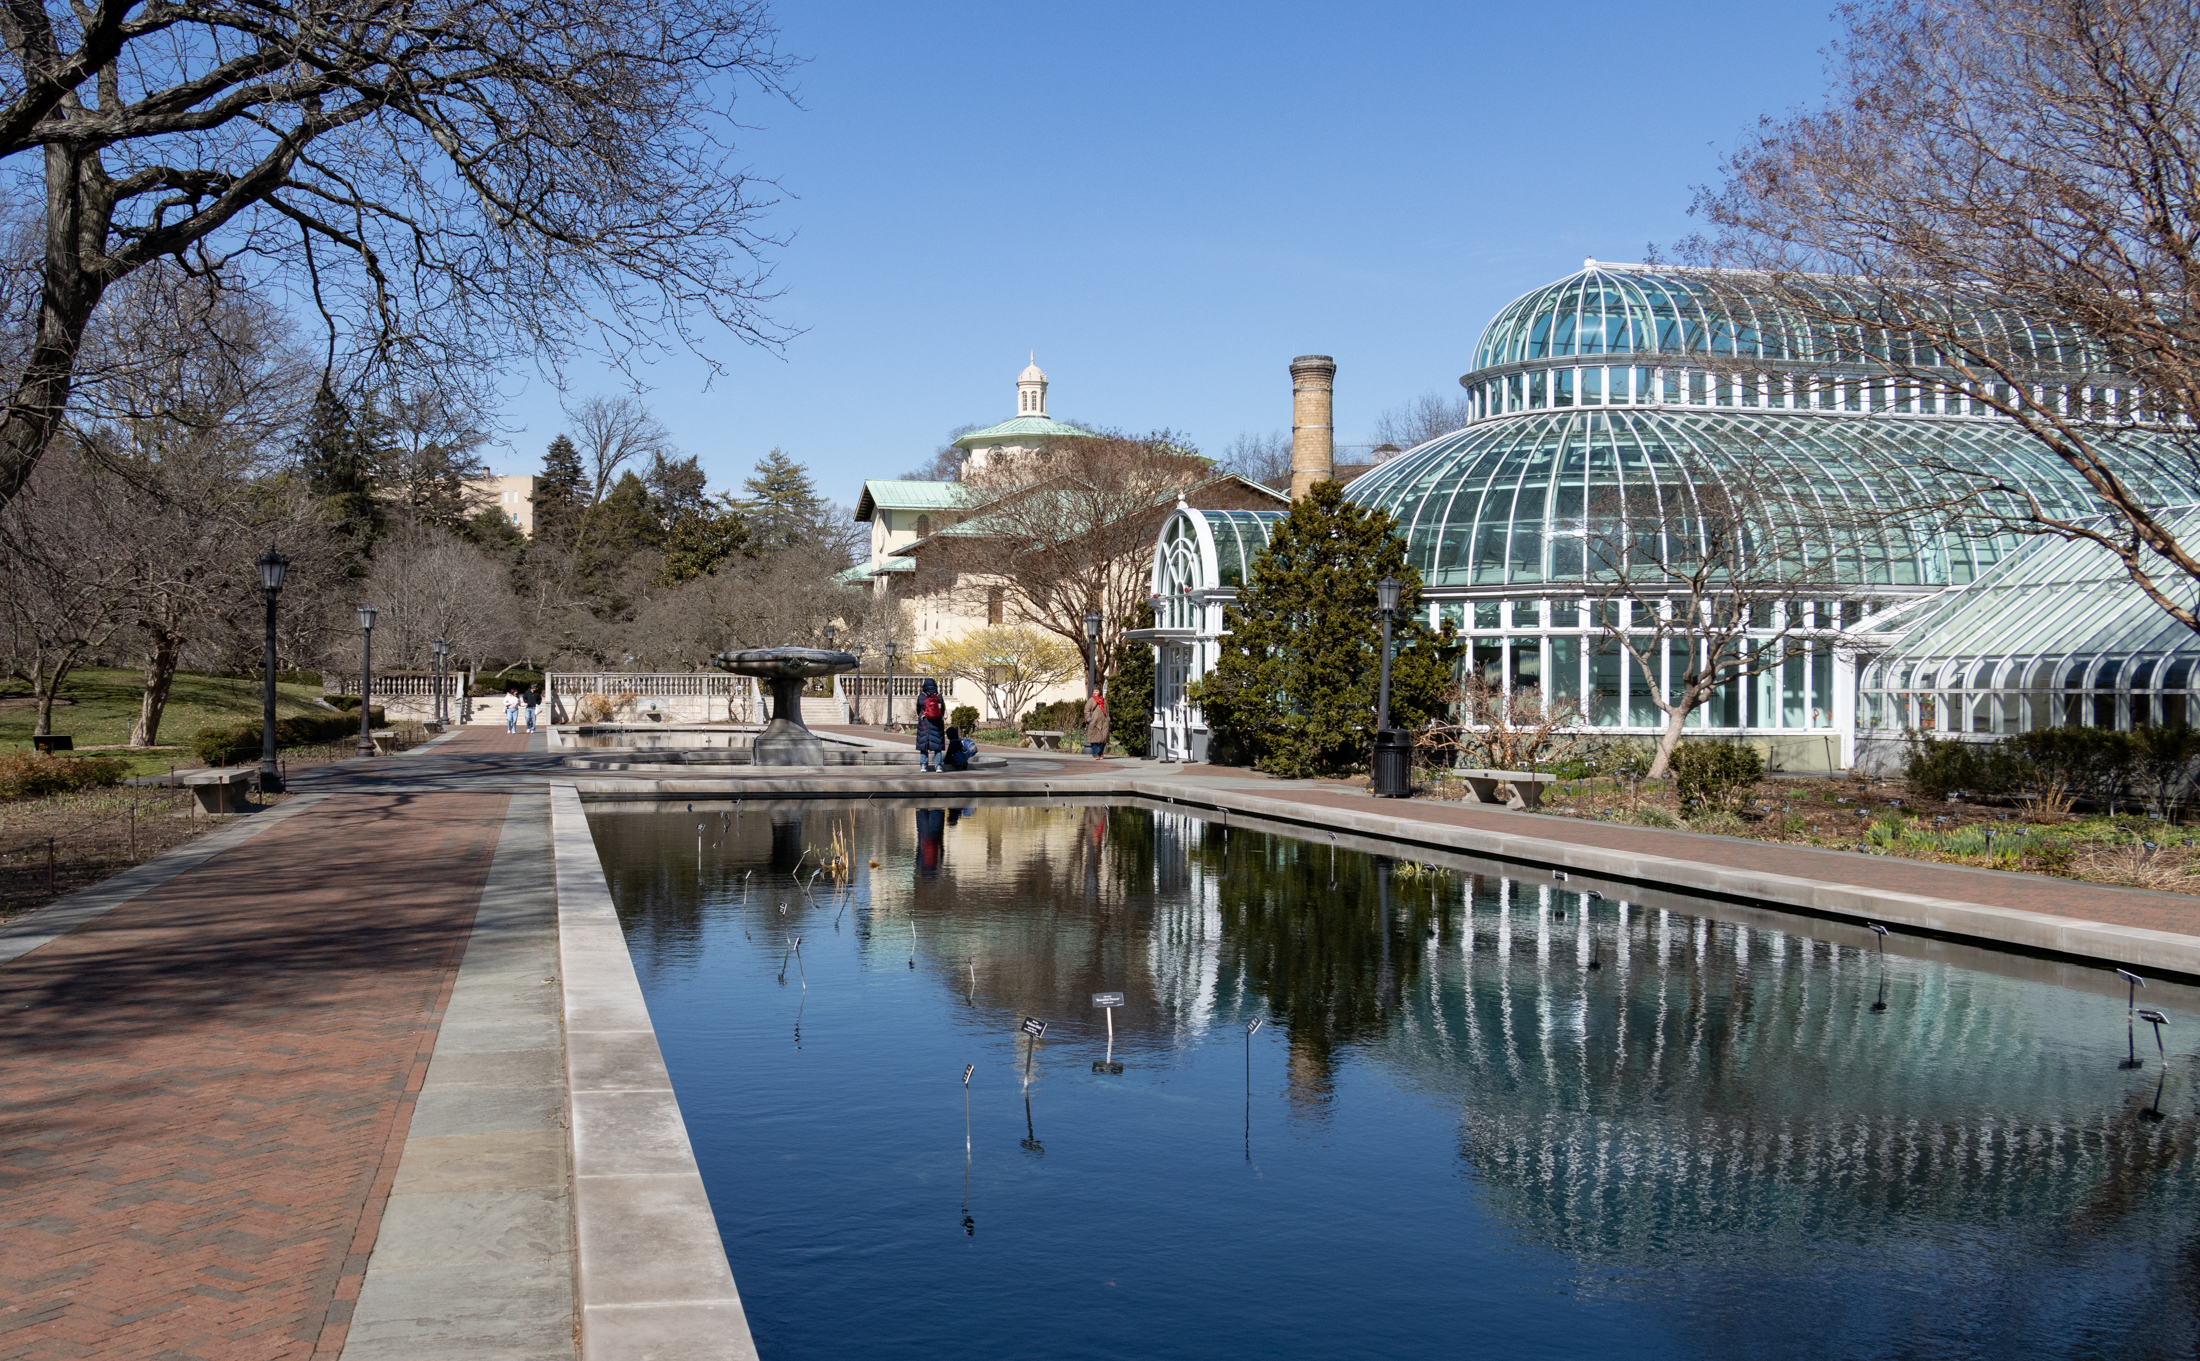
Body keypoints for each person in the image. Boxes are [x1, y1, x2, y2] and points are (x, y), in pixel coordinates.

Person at [914, 678, 945, 772]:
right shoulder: (939, 696)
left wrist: (922, 715)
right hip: (937, 723)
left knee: (924, 744)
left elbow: (918, 709)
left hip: (924, 722)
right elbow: (942, 709)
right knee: (937, 745)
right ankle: (938, 766)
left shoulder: (922, 696)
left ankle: (924, 766)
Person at [1083, 688, 1110, 760]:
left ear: (1100, 691)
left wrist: (1108, 718)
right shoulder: (1091, 700)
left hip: (1104, 722)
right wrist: (1089, 719)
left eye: (1096, 691)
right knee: (1094, 739)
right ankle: (1096, 754)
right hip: (1094, 722)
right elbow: (1086, 711)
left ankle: (1100, 752)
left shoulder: (1104, 701)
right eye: (1094, 691)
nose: (1095, 692)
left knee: (1103, 739)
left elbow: (1107, 711)